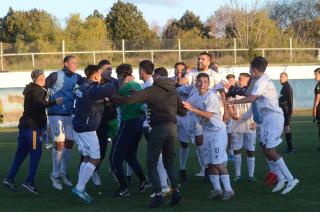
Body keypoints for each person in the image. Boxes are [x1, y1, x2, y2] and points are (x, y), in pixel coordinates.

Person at [112, 67, 187, 208]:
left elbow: (129, 100)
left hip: (158, 128)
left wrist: (113, 98)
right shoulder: (173, 91)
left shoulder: (152, 90)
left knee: (151, 161)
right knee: (169, 161)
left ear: (157, 77)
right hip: (172, 128)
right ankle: (176, 190)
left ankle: (158, 194)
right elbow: (182, 112)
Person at [227, 56, 299, 195]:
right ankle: (282, 178)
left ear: (254, 69)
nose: (249, 70)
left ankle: (291, 179)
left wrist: (233, 102)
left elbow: (252, 97)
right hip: (266, 119)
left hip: (273, 117)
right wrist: (237, 89)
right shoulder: (258, 79)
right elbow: (249, 92)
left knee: (270, 150)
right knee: (265, 150)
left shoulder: (263, 80)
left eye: (250, 67)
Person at [3, 69, 63, 194]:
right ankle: (29, 181)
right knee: (35, 154)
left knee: (20, 154)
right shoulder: (39, 90)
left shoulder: (30, 88)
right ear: (41, 78)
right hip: (33, 129)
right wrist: (53, 102)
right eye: (44, 78)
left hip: (25, 127)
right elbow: (38, 105)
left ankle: (9, 178)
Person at [183, 73, 234, 200]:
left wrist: (192, 109)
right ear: (196, 83)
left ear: (209, 83)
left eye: (205, 82)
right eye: (200, 81)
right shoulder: (194, 97)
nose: (202, 84)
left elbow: (209, 115)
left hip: (217, 132)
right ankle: (217, 189)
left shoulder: (211, 96)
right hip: (206, 132)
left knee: (218, 163)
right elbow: (184, 106)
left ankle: (228, 189)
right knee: (209, 163)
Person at [72, 65, 116, 203]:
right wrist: (109, 78)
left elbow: (89, 100)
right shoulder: (92, 88)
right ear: (96, 75)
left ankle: (80, 187)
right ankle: (79, 187)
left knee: (86, 157)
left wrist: (101, 101)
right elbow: (111, 87)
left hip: (78, 126)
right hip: (87, 128)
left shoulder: (82, 87)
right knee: (95, 159)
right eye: (100, 74)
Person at [109, 63, 148, 197]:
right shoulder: (137, 85)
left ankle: (123, 188)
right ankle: (143, 180)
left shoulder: (126, 87)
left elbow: (112, 100)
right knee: (130, 156)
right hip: (138, 124)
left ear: (121, 76)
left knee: (115, 159)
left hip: (128, 123)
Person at [46, 55, 83, 190]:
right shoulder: (55, 75)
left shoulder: (77, 77)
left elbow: (87, 84)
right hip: (55, 114)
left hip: (68, 114)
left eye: (76, 63)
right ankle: (54, 175)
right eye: (73, 62)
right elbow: (43, 89)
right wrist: (50, 101)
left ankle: (63, 173)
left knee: (69, 142)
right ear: (66, 63)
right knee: (59, 142)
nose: (75, 65)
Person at [138, 60, 171, 197]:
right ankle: (165, 184)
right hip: (151, 124)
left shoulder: (151, 85)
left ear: (141, 71)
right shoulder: (147, 84)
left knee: (157, 156)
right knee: (157, 156)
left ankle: (165, 186)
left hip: (155, 125)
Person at [90, 59, 119, 186]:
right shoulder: (95, 82)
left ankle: (113, 167)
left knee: (115, 145)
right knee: (96, 147)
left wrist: (112, 101)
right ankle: (93, 170)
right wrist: (104, 100)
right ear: (100, 70)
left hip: (112, 117)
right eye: (108, 69)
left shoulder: (115, 82)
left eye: (111, 69)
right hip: (97, 119)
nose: (110, 71)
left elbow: (118, 97)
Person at [227, 73, 257, 182]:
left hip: (250, 125)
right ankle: (238, 175)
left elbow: (259, 109)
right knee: (236, 149)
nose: (238, 81)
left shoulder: (253, 93)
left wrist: (256, 122)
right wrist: (231, 114)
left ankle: (251, 175)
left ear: (248, 81)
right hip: (236, 125)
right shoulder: (234, 92)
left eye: (241, 79)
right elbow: (229, 105)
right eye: (239, 79)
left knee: (250, 150)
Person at [279, 72, 295, 153]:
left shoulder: (287, 87)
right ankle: (289, 147)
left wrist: (290, 111)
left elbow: (289, 100)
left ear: (286, 78)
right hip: (285, 110)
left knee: (286, 128)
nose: (280, 78)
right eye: (280, 77)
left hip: (286, 111)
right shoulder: (285, 87)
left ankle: (291, 148)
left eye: (282, 77)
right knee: (285, 128)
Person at [313, 67, 320, 151]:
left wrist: (314, 108)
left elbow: (318, 98)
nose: (315, 76)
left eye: (316, 74)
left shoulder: (319, 85)